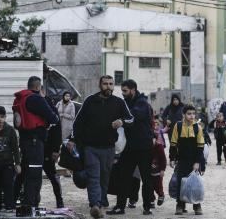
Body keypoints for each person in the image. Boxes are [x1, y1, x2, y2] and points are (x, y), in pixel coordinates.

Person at [68, 75, 134, 219]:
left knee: (104, 177)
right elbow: (77, 123)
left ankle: (102, 202)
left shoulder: (118, 102)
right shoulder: (90, 101)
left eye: (111, 84)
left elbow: (131, 119)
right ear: (100, 85)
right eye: (105, 84)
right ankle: (95, 205)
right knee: (94, 177)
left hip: (109, 148)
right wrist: (72, 139)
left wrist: (122, 121)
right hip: (90, 147)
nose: (108, 86)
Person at [107, 79, 154, 215]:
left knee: (146, 178)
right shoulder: (125, 102)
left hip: (144, 147)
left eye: (125, 91)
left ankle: (147, 207)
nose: (123, 93)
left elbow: (134, 115)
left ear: (133, 90)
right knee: (124, 177)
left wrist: (122, 120)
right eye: (122, 91)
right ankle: (120, 206)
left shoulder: (142, 103)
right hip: (129, 147)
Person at [13, 76, 58, 207]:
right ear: (38, 87)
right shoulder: (36, 99)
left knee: (24, 174)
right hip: (35, 142)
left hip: (24, 140)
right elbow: (53, 117)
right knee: (34, 174)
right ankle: (31, 205)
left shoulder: (20, 98)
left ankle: (12, 201)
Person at [169, 105, 205, 215]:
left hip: (194, 161)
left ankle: (197, 205)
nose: (192, 116)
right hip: (182, 160)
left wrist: (198, 162)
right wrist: (172, 158)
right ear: (183, 115)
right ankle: (180, 205)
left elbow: (200, 147)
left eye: (193, 114)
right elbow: (173, 143)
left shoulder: (197, 127)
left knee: (195, 183)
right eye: (189, 113)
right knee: (181, 183)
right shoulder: (178, 126)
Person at [41, 89, 64, 208]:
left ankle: (59, 201)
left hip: (48, 149)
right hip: (35, 148)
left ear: (42, 91)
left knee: (52, 175)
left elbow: (57, 130)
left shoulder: (49, 106)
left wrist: (56, 150)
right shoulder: (33, 104)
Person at [150, 120, 168, 206]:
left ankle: (161, 195)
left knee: (158, 186)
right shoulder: (146, 148)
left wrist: (162, 170)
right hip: (149, 171)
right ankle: (151, 200)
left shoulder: (159, 147)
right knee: (149, 186)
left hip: (157, 171)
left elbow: (163, 159)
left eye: (153, 139)